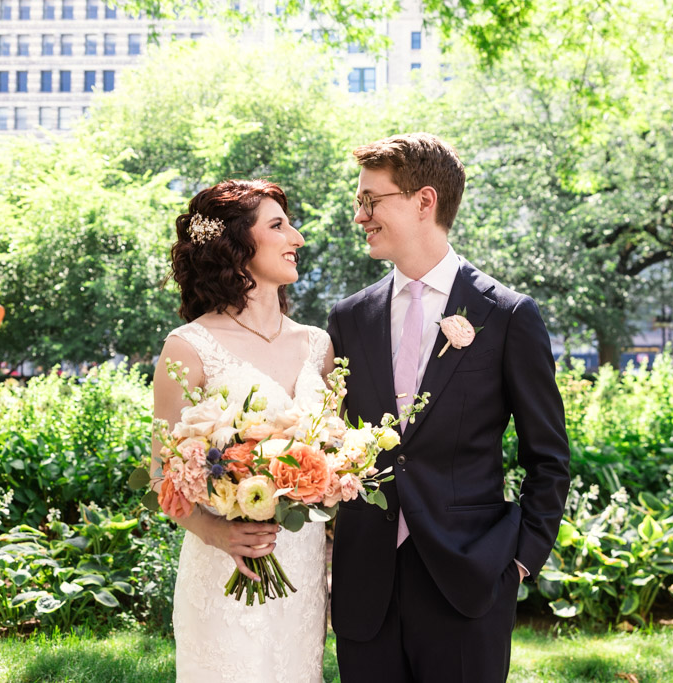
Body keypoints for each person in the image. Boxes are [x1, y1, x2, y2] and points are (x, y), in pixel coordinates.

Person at [327, 133, 571, 683]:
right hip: (368, 584)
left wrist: (520, 560)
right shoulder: (348, 319)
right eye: (359, 202)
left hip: (470, 582)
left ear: (424, 201)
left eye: (371, 200)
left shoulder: (507, 315)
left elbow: (549, 456)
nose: (360, 215)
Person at [151, 179, 333, 683]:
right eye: (278, 226)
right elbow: (161, 475)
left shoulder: (318, 346)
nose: (296, 238)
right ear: (236, 247)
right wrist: (219, 532)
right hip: (223, 569)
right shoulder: (189, 346)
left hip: (302, 561)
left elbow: (335, 454)